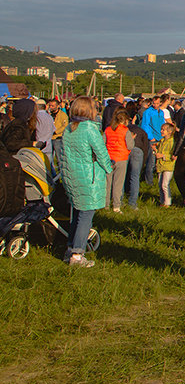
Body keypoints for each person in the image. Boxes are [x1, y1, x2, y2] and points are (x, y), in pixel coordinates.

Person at [59, 97, 112, 267]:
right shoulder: (90, 128)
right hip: (89, 176)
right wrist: (109, 168)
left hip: (72, 175)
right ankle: (77, 254)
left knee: (76, 213)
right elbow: (101, 151)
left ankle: (70, 248)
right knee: (86, 216)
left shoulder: (68, 129)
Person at [102, 109, 130, 212]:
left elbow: (102, 143)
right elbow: (130, 145)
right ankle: (116, 206)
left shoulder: (108, 129)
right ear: (125, 120)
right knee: (118, 184)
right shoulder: (125, 130)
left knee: (107, 184)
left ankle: (105, 205)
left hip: (109, 158)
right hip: (121, 158)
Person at [156, 122, 177, 206]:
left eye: (163, 130)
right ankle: (162, 201)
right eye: (161, 129)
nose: (161, 131)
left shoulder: (171, 142)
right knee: (160, 184)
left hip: (168, 166)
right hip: (160, 165)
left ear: (169, 131)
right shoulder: (161, 141)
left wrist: (162, 156)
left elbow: (173, 155)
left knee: (165, 184)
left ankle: (167, 203)